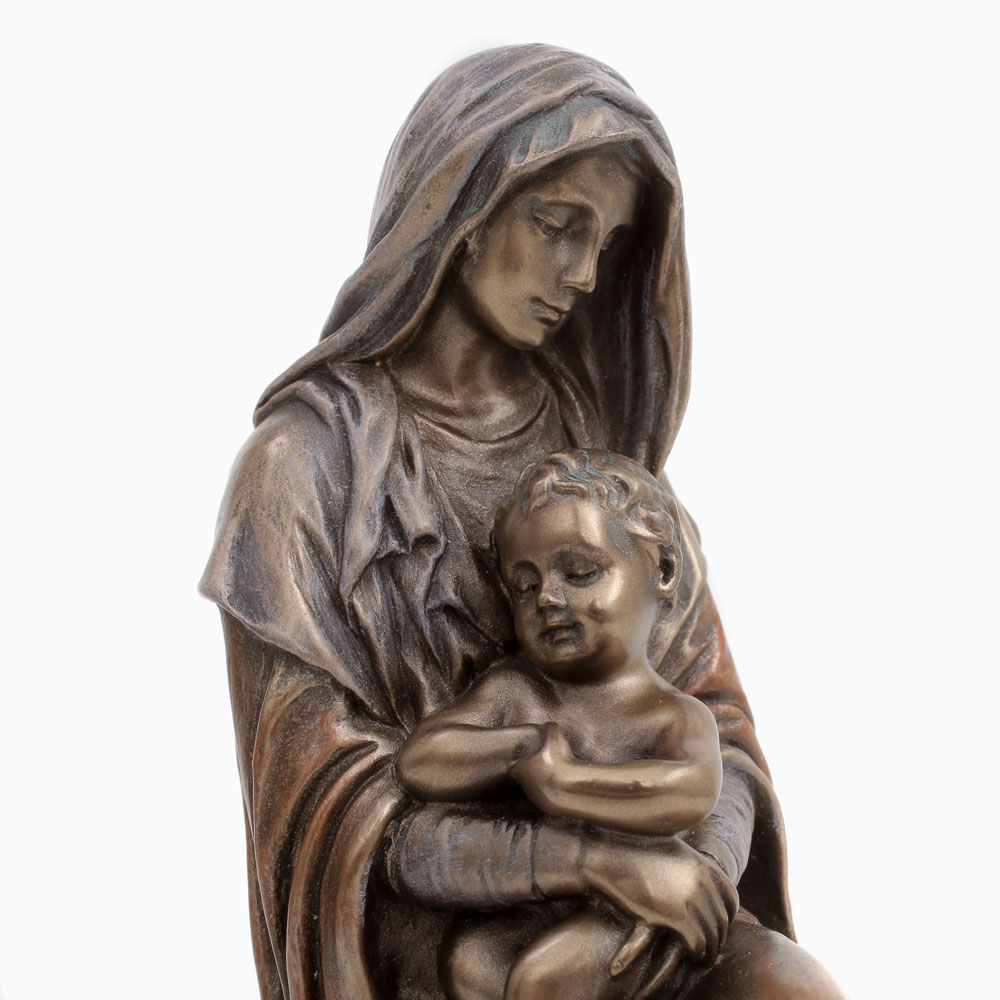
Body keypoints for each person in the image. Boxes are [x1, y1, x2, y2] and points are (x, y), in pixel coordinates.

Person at [200, 44, 846, 1000]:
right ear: (458, 209)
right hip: (446, 931)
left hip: (642, 899)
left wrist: (695, 877)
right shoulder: (302, 470)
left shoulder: (597, 451)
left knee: (789, 988)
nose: (581, 274)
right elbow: (335, 813)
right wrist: (586, 862)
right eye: (555, 225)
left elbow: (717, 727)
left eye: (605, 244)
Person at [395, 449, 726, 1000]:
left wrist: (565, 783)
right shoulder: (516, 692)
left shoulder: (675, 714)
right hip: (543, 893)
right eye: (525, 586)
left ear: (663, 571)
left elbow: (690, 789)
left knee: (544, 981)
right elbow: (420, 760)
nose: (547, 598)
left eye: (579, 573)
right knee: (469, 960)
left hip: (642, 897)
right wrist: (521, 747)